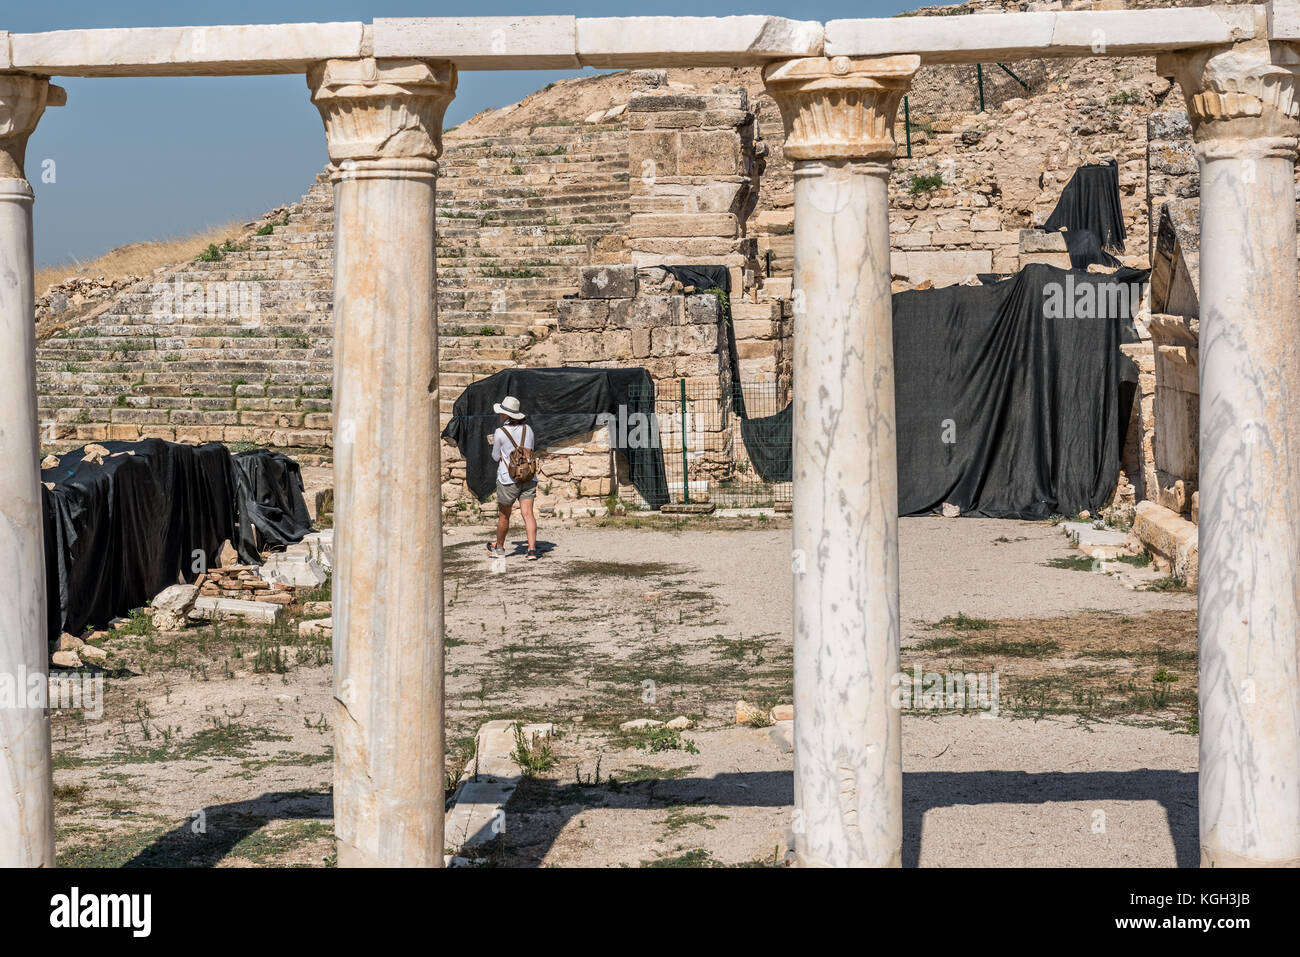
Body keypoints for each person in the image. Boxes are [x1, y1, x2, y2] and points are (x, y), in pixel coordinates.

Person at [487, 395, 538, 561]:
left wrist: (501, 454)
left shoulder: (500, 433)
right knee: (528, 514)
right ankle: (531, 550)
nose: (499, 415)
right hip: (529, 476)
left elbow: (495, 457)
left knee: (504, 516)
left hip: (508, 479)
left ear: (507, 415)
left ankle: (499, 547)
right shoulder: (528, 429)